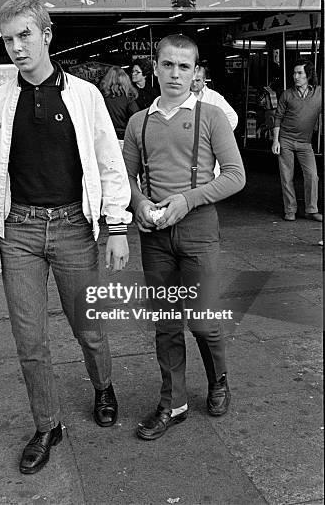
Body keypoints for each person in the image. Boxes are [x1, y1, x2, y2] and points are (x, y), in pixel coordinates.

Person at [0, 0, 131, 475]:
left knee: (89, 329)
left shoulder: (84, 96)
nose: (17, 47)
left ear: (46, 35)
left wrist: (117, 224)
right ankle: (47, 425)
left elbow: (109, 160)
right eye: (8, 39)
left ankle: (103, 387)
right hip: (16, 231)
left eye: (25, 35)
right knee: (30, 340)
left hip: (73, 230)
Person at [123, 34, 245, 440]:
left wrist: (188, 200)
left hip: (198, 229)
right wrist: (139, 203)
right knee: (166, 323)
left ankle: (218, 379)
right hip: (156, 234)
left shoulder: (210, 116)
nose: (175, 73)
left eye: (184, 67)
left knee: (204, 320)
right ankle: (172, 403)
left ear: (196, 74)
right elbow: (124, 177)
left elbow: (235, 175)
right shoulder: (140, 122)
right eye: (168, 64)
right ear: (155, 67)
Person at [272, 59, 322, 222]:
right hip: (285, 140)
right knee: (287, 177)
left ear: (308, 75)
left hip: (305, 143)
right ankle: (290, 210)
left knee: (312, 176)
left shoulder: (319, 93)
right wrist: (276, 141)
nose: (295, 76)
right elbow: (278, 118)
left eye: (299, 73)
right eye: (294, 73)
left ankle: (311, 209)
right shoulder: (287, 94)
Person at [191, 64, 238, 177]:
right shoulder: (182, 97)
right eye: (191, 80)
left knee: (209, 176)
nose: (194, 83)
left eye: (197, 80)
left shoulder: (214, 97)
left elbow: (232, 117)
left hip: (208, 144)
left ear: (204, 80)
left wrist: (218, 135)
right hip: (188, 143)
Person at [99, 66, 139, 146]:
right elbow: (136, 119)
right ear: (125, 79)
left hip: (106, 138)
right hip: (124, 138)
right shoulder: (128, 98)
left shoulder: (101, 97)